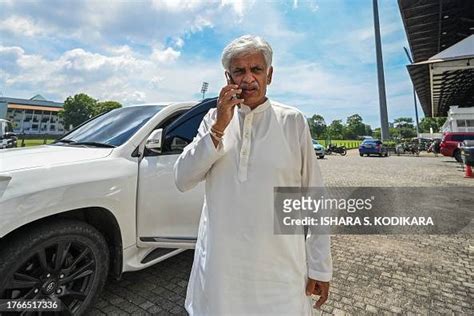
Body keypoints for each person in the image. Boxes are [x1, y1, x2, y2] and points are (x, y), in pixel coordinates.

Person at [174, 35, 332, 315]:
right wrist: (219, 127)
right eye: (239, 71)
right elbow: (183, 179)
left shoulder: (292, 121)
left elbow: (314, 197)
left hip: (280, 271)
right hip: (220, 271)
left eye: (256, 70)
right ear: (228, 76)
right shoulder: (213, 119)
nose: (248, 78)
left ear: (269, 75)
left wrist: (319, 266)